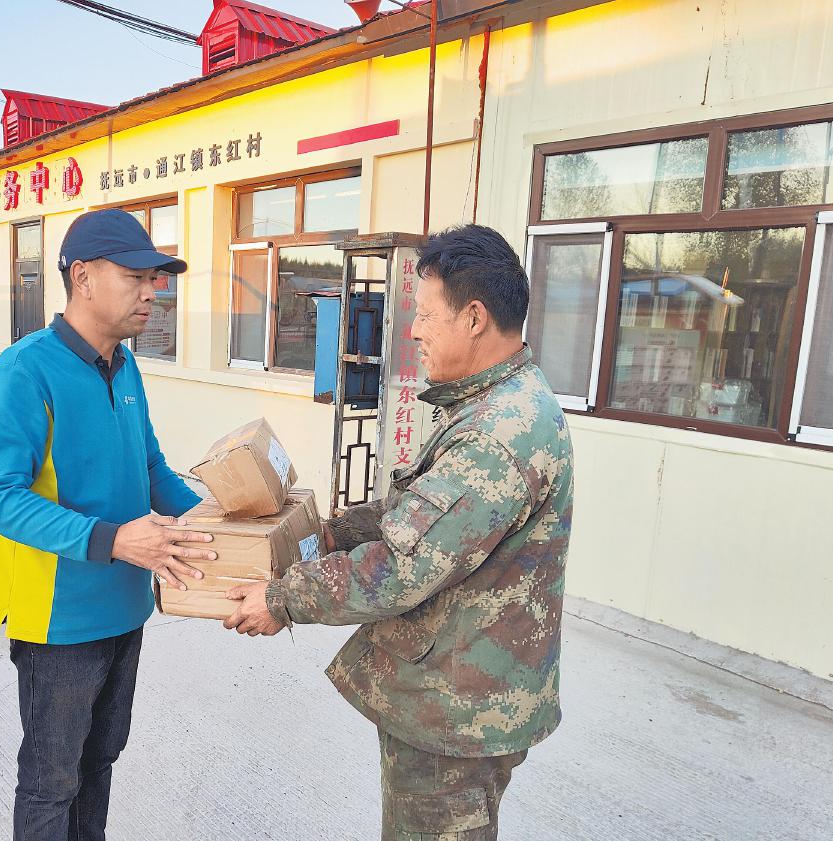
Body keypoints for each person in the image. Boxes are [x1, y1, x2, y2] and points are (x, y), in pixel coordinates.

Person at [224, 224, 574, 841]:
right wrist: (330, 535)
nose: (413, 331)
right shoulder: (496, 404)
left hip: (458, 713)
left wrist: (281, 598)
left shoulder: (498, 433)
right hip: (465, 694)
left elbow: (401, 567)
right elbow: (419, 512)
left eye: (426, 314)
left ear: (474, 317)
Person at [0, 209, 217, 841]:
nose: (152, 291)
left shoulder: (124, 365)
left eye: (154, 278)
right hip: (58, 619)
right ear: (81, 277)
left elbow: (149, 465)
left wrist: (213, 525)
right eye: (136, 276)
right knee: (50, 782)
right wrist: (109, 539)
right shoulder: (25, 371)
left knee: (100, 761)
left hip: (125, 606)